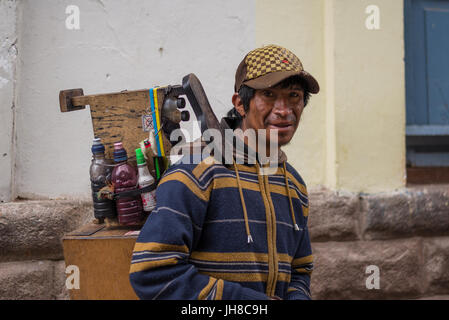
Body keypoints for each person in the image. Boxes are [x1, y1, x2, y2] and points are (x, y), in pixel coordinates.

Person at [129, 44, 320, 300]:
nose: (284, 110)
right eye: (269, 94)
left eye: (294, 96)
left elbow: (299, 270)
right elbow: (152, 272)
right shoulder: (196, 173)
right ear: (240, 104)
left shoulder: (294, 185)